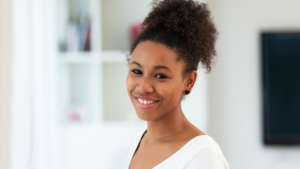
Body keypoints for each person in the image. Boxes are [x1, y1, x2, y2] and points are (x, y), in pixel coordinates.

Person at [124, 0, 229, 168]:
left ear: (189, 81)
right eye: (137, 71)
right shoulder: (136, 142)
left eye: (160, 75)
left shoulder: (202, 155)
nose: (143, 87)